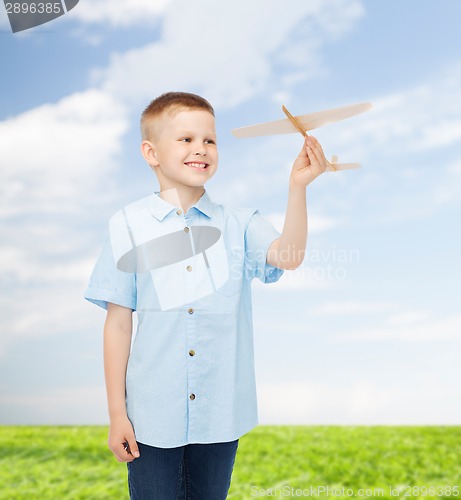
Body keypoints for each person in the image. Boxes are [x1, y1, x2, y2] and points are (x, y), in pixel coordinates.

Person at [84, 91, 327, 499]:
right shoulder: (127, 225)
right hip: (150, 415)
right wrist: (116, 413)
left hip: (220, 414)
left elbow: (288, 256)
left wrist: (297, 186)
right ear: (151, 152)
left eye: (210, 140)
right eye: (186, 139)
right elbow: (119, 322)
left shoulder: (240, 223)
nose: (201, 149)